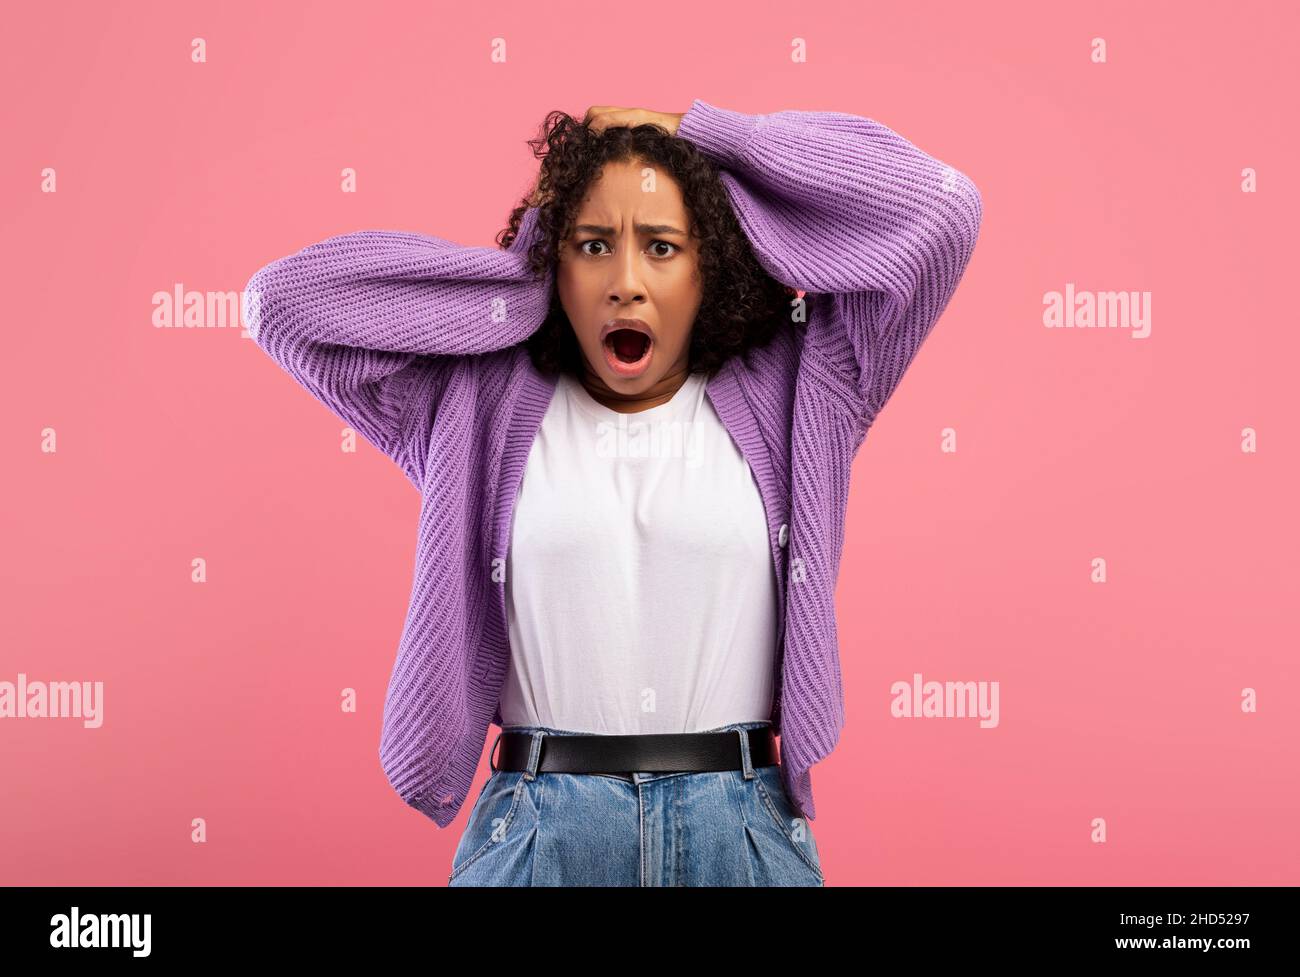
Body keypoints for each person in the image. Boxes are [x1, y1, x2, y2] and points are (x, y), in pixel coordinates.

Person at [243, 100, 983, 886]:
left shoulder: (807, 387)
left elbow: (938, 209)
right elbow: (284, 304)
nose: (625, 283)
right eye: (594, 246)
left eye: (661, 247)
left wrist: (703, 130)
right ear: (555, 263)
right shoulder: (474, 404)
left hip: (740, 829)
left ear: (712, 268)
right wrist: (516, 287)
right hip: (538, 831)